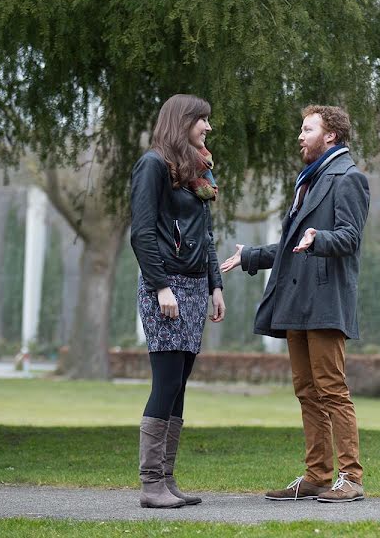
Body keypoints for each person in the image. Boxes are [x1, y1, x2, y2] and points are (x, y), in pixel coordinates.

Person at [220, 105, 369, 503]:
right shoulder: (308, 180)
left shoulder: (349, 179)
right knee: (306, 390)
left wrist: (319, 238)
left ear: (331, 136)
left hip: (324, 301)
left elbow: (350, 238)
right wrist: (251, 256)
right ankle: (318, 474)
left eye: (308, 129)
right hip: (296, 301)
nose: (300, 136)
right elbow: (290, 247)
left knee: (332, 390)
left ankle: (351, 477)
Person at [130, 94, 226, 508]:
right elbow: (142, 232)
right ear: (181, 121)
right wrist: (160, 286)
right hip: (166, 287)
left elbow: (204, 235)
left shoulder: (193, 173)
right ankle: (151, 484)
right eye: (201, 120)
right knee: (166, 382)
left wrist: (215, 285)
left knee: (179, 388)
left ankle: (167, 481)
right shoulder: (153, 165)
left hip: (192, 287)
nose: (207, 127)